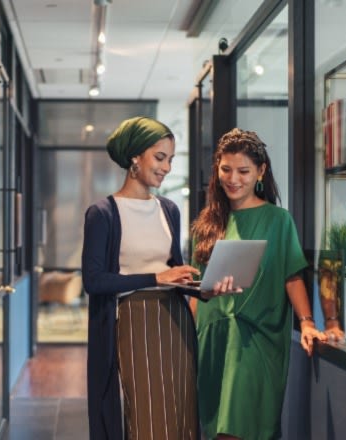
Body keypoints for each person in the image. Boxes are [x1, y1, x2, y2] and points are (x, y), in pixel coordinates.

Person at [191, 128, 327, 440]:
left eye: (243, 171)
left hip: (257, 339)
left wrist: (306, 322)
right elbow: (198, 292)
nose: (233, 179)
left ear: (260, 171)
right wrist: (191, 331)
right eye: (226, 169)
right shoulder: (207, 224)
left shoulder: (279, 220)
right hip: (212, 338)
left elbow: (291, 276)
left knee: (240, 428)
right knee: (214, 429)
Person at [82, 116, 201, 440]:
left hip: (176, 320)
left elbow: (173, 269)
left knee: (183, 415)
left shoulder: (169, 209)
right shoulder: (104, 213)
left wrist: (204, 288)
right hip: (135, 322)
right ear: (135, 157)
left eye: (171, 160)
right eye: (160, 157)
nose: (166, 167)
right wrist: (156, 277)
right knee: (150, 416)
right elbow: (93, 281)